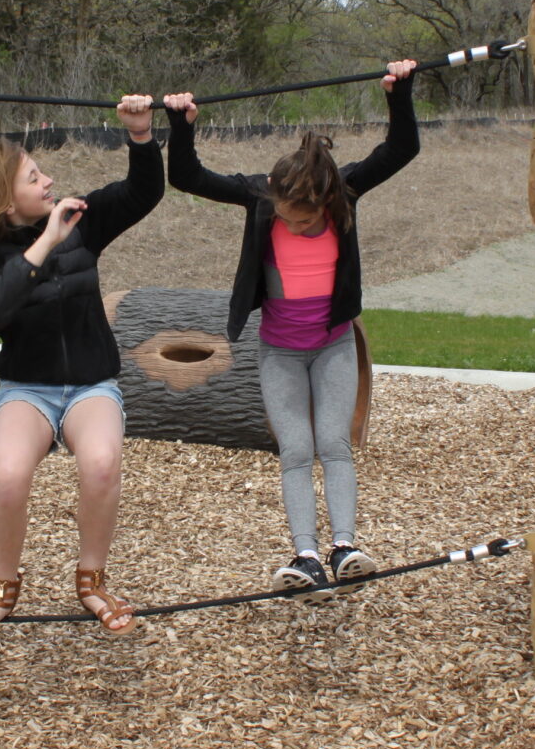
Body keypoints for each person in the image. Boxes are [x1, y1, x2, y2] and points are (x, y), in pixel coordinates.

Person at [162, 60, 420, 592]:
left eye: (301, 220)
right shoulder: (261, 198)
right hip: (279, 350)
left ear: (325, 202)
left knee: (334, 442)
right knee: (297, 450)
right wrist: (181, 125)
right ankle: (305, 556)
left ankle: (345, 545)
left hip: (333, 346)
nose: (290, 224)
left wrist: (400, 91)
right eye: (283, 215)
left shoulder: (343, 191)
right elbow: (186, 176)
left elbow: (400, 150)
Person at [0, 99, 162, 645]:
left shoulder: (82, 219)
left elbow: (144, 193)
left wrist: (141, 135)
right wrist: (47, 239)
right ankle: (2, 588)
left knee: (100, 464)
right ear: (6, 199)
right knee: (6, 476)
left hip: (92, 384)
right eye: (34, 176)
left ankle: (91, 579)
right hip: (27, 388)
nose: (48, 180)